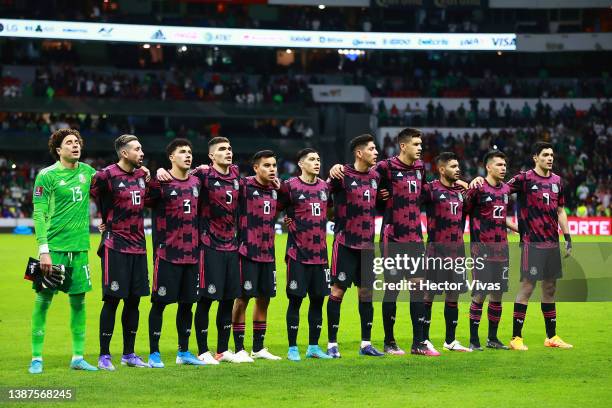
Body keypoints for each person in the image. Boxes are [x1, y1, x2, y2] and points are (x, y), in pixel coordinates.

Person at [471, 141, 573, 350]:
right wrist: (478, 180)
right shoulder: (524, 179)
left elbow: (560, 210)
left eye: (551, 154)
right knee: (527, 286)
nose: (550, 158)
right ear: (535, 158)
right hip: (531, 243)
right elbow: (497, 191)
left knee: (550, 288)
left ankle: (551, 336)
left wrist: (568, 236)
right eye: (545, 154)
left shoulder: (557, 181)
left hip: (551, 242)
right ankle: (516, 337)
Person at [30, 128, 98, 374]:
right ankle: (37, 357)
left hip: (80, 250)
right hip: (54, 250)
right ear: (59, 150)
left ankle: (78, 357)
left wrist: (142, 170)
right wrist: (43, 250)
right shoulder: (46, 176)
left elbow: (114, 186)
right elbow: (38, 213)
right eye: (69, 142)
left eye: (77, 141)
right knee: (43, 301)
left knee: (79, 303)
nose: (75, 145)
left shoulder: (88, 173)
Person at [91, 135, 150, 370]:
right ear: (124, 153)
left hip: (138, 246)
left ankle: (129, 354)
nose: (142, 152)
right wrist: (102, 220)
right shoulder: (105, 175)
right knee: (113, 300)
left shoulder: (142, 175)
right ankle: (104, 355)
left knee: (134, 301)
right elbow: (91, 195)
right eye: (137, 149)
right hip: (115, 245)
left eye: (141, 147)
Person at [146, 138, 205, 367]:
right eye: (182, 152)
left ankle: (184, 352)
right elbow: (140, 202)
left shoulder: (198, 182)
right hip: (167, 254)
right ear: (171, 157)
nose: (188, 155)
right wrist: (156, 171)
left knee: (187, 304)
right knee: (159, 304)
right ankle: (154, 353)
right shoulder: (160, 182)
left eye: (189, 152)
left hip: (192, 255)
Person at [326, 134, 384, 358]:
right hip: (345, 242)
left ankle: (365, 344)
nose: (376, 152)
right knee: (337, 291)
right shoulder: (341, 175)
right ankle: (332, 344)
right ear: (359, 153)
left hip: (368, 244)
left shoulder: (376, 177)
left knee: (367, 293)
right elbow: (320, 194)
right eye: (371, 149)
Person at [278, 148, 332, 361]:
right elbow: (277, 208)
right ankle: (292, 348)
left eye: (318, 159)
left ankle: (313, 347)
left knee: (318, 300)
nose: (316, 162)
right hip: (297, 254)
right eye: (311, 159)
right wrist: (287, 221)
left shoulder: (325, 187)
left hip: (320, 255)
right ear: (301, 164)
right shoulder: (289, 186)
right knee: (295, 301)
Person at [463, 150, 517, 351]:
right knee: (480, 293)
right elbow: (462, 209)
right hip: (481, 250)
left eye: (504, 165)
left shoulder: (505, 190)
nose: (503, 168)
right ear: (488, 167)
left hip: (501, 249)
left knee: (497, 294)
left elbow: (502, 217)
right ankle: (474, 339)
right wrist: (468, 183)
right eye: (499, 165)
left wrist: (521, 229)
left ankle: (492, 338)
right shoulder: (478, 188)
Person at [231, 150, 282, 361]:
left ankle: (258, 347)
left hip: (268, 253)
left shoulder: (277, 189)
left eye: (274, 165)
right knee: (242, 299)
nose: (272, 169)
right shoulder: (244, 186)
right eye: (267, 166)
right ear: (255, 168)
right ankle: (239, 348)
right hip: (246, 252)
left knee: (264, 299)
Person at [421, 152, 471, 353]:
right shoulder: (431, 189)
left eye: (458, 165)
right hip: (436, 251)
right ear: (441, 170)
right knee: (428, 295)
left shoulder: (461, 191)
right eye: (452, 166)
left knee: (453, 295)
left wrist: (471, 183)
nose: (457, 169)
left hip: (457, 252)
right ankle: (423, 339)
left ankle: (450, 340)